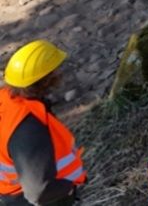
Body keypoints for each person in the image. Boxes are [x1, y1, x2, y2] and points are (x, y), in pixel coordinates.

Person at [0, 40, 86, 205]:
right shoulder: (28, 127)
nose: (60, 73)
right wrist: (68, 188)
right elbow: (39, 192)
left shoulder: (6, 101)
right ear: (46, 80)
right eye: (56, 70)